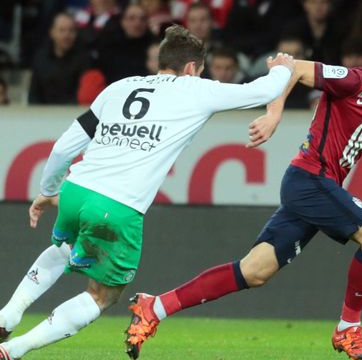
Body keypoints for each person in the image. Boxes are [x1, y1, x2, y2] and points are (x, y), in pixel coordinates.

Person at [123, 29, 362, 360]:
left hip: (319, 187)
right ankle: (348, 328)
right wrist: (273, 115)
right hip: (309, 179)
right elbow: (294, 69)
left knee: (254, 270)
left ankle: (156, 306)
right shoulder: (350, 80)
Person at [0, 25, 294, 360]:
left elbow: (64, 147)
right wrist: (283, 66)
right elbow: (262, 90)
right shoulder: (195, 90)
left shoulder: (119, 87)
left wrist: (49, 189)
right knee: (103, 295)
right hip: (118, 205)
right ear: (190, 69)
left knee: (64, 247)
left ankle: (8, 314)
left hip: (76, 189)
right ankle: (13, 348)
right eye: (198, 70)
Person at [28, 12, 91, 104]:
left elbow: (82, 96)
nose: (67, 35)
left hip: (71, 114)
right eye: (62, 30)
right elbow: (34, 94)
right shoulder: (40, 58)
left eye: (71, 30)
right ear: (51, 32)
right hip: (42, 114)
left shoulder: (85, 59)